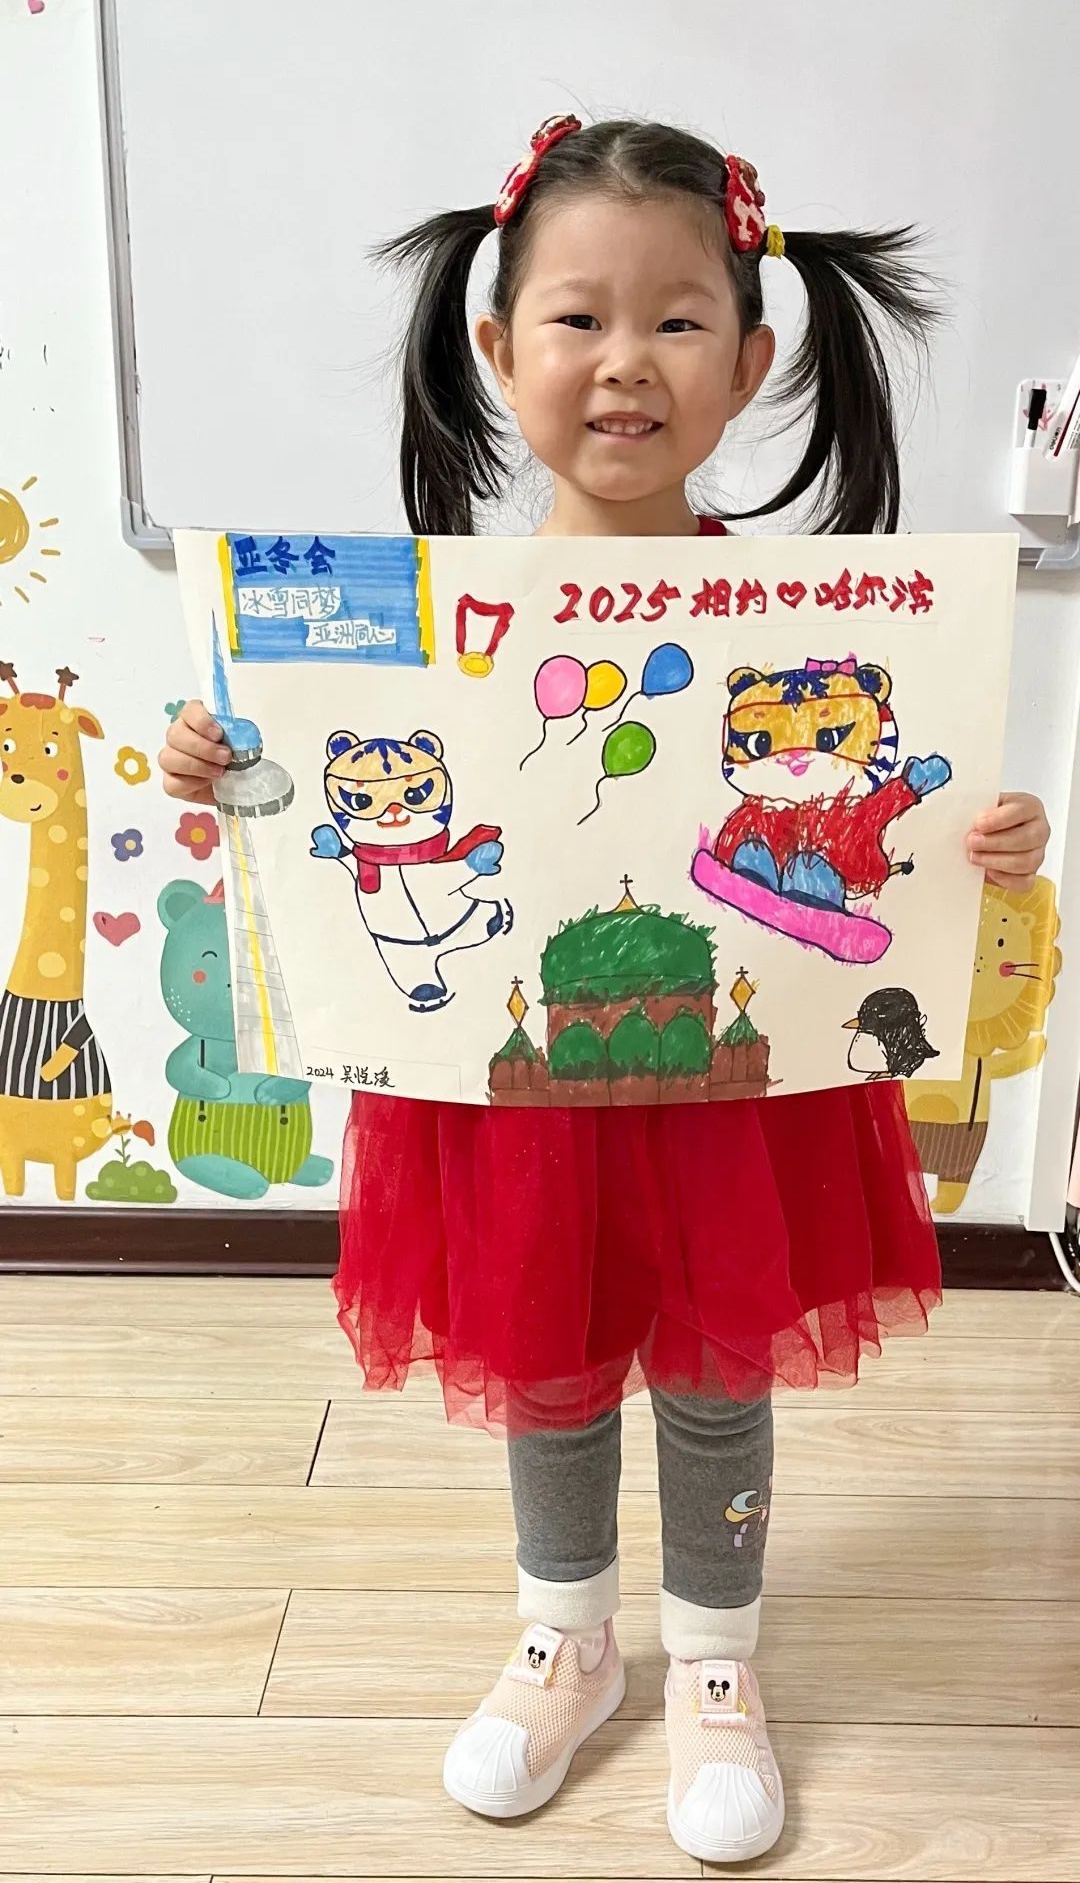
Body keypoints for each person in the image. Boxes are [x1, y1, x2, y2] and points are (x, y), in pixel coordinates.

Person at [159, 116, 1050, 1865]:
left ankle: (717, 1652)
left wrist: (987, 841)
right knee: (547, 1353)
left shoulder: (819, 627)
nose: (625, 361)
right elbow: (323, 801)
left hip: (735, 1080)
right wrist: (225, 761)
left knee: (719, 1360)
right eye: (578, 318)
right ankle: (566, 1634)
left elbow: (882, 816)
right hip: (509, 1077)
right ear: (501, 351)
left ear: (752, 361)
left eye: (676, 319)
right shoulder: (416, 623)